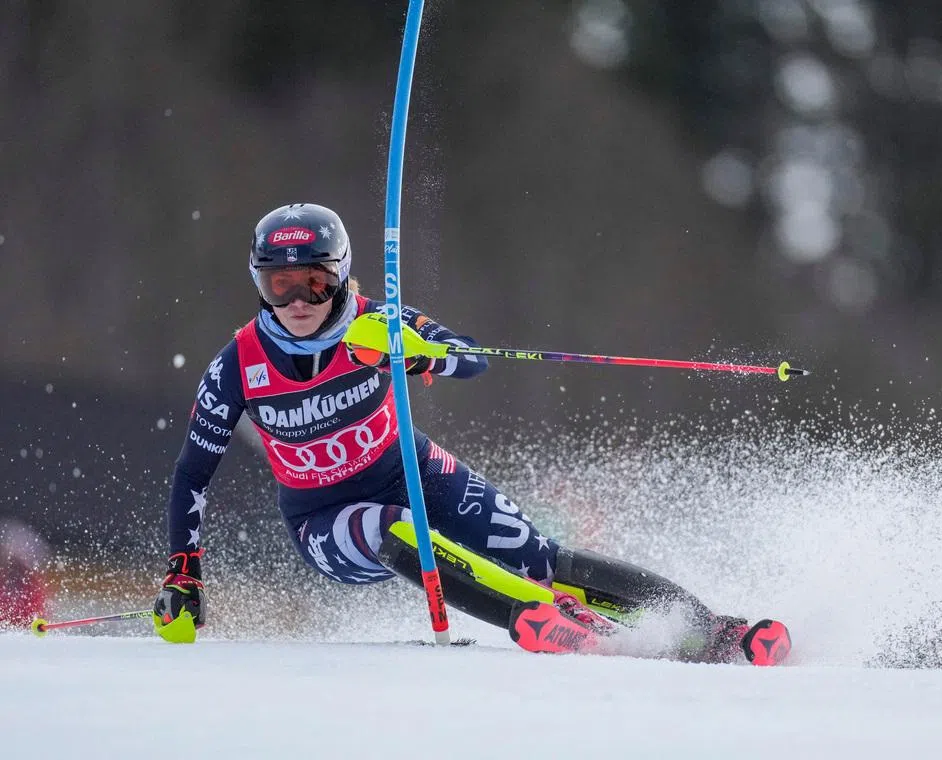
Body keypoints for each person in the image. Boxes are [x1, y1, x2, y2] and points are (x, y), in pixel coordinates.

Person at [154, 202, 790, 665]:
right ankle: (530, 619)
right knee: (384, 528)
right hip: (325, 516)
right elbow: (192, 473)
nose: (298, 297)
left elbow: (472, 356)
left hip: (413, 468)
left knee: (541, 559)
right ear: (260, 284)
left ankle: (716, 632)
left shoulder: (377, 322)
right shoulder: (238, 363)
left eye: (314, 278)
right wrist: (184, 573)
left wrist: (416, 353)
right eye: (279, 282)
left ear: (341, 274)